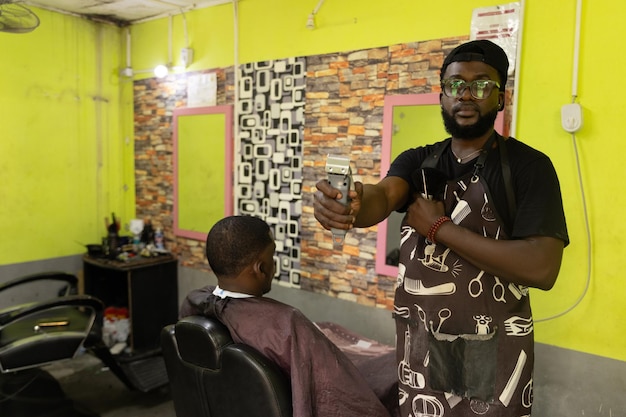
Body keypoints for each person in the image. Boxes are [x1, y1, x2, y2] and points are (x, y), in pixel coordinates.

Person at [314, 39, 569, 416]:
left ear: (500, 98)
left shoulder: (528, 168)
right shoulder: (418, 161)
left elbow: (542, 267)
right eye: (454, 85)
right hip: (421, 351)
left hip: (494, 349)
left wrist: (439, 228)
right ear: (442, 96)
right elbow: (382, 198)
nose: (466, 95)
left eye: (482, 84)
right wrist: (350, 203)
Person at [179, 215, 395, 417]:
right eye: (271, 256)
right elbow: (338, 394)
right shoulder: (286, 323)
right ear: (261, 268)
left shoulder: (198, 301)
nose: (274, 265)